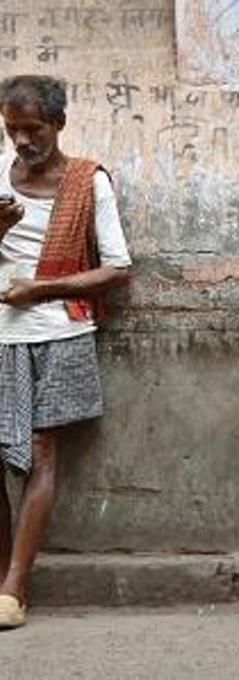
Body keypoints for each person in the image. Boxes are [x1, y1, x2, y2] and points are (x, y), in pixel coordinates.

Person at [0, 75, 131, 629]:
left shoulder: (87, 182)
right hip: (2, 334)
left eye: (33, 129)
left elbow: (118, 269)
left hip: (59, 331)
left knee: (42, 451)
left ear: (59, 124)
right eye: (13, 130)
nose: (23, 142)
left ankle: (15, 587)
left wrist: (41, 290)